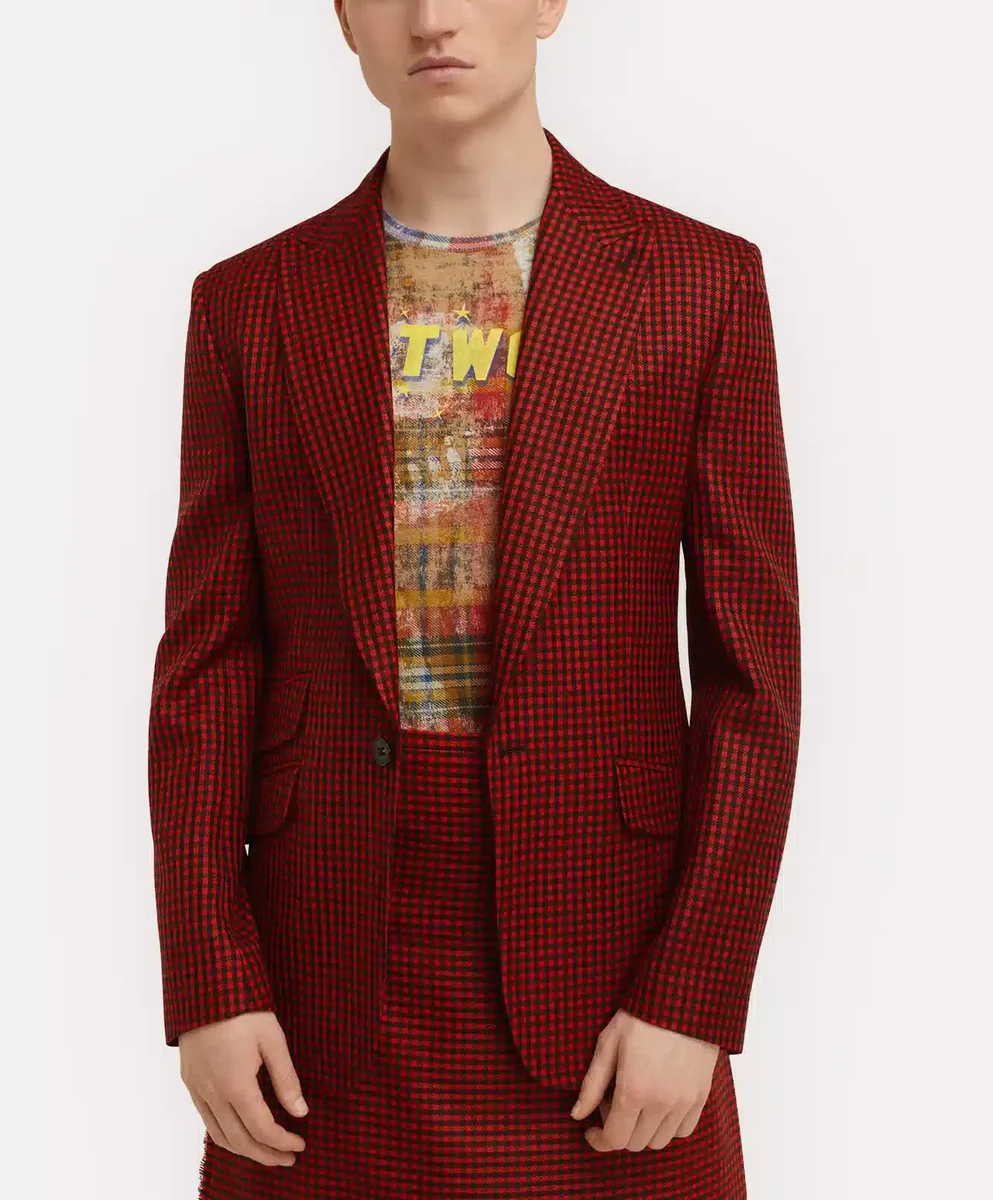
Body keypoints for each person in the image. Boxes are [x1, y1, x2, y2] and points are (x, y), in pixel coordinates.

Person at [146, 1, 802, 1197]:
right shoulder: (250, 302)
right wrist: (209, 981)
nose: (432, 17)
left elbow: (751, 683)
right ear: (342, 18)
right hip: (316, 991)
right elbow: (206, 668)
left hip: (608, 983)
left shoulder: (696, 285)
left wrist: (691, 993)